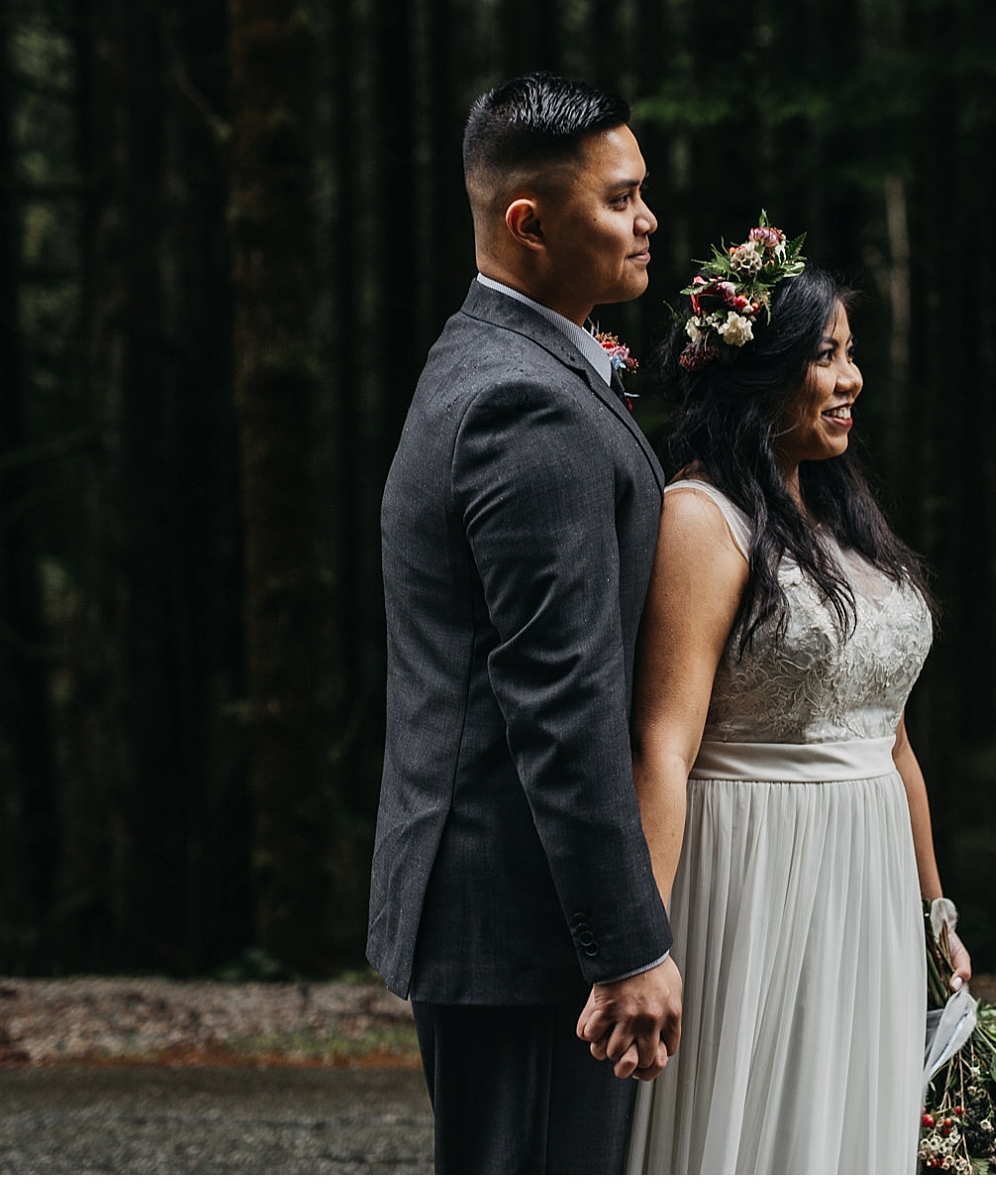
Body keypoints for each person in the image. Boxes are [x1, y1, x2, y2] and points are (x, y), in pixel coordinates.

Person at [368, 72, 684, 1174]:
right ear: (528, 221)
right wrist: (626, 942)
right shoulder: (524, 404)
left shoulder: (500, 355)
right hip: (523, 925)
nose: (648, 220)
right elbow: (559, 701)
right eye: (621, 198)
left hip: (498, 907)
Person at [625, 234, 972, 1173]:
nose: (851, 377)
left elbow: (892, 742)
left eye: (851, 352)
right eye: (826, 354)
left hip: (867, 875)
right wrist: (641, 942)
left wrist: (933, 911)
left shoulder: (846, 521)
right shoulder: (701, 519)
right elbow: (663, 742)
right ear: (759, 375)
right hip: (752, 870)